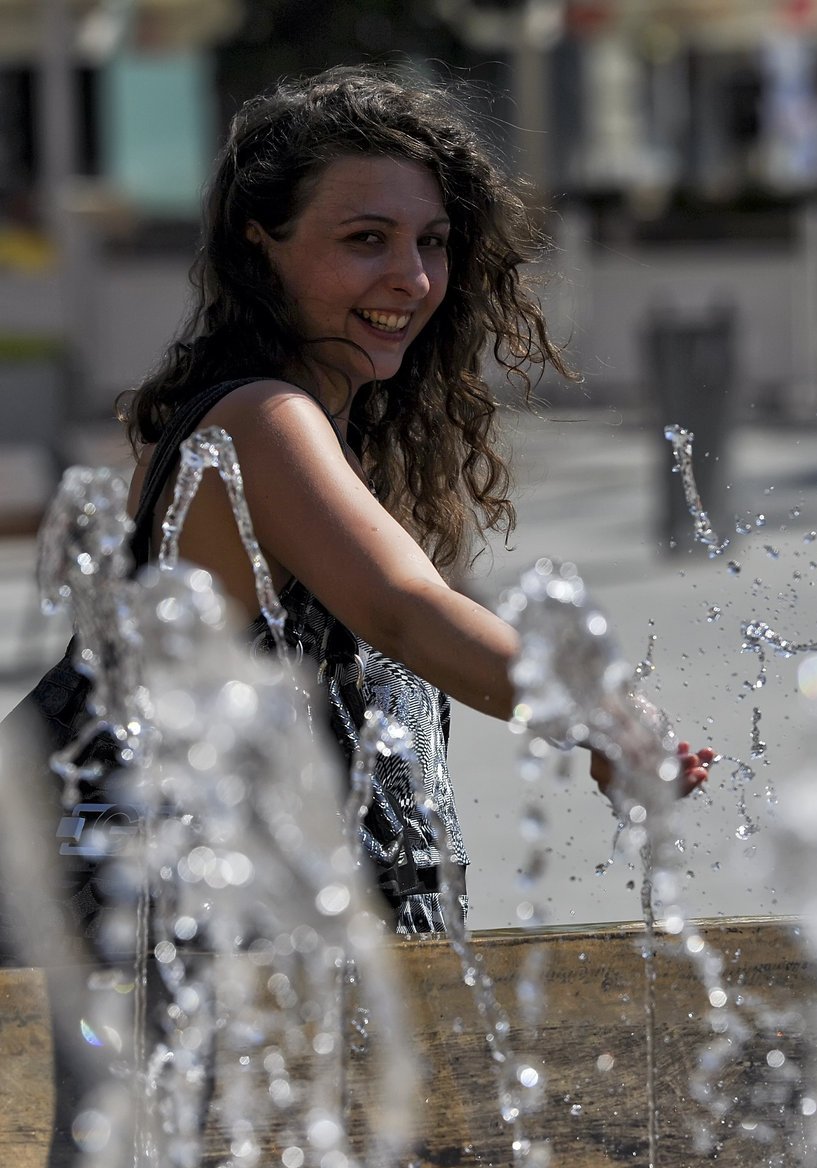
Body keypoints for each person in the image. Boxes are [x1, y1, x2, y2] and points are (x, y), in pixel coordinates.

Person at [122, 64, 712, 935]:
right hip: (215, 954)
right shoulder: (263, 422)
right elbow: (405, 611)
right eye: (366, 239)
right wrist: (611, 718)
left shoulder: (316, 425)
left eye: (430, 241)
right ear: (260, 245)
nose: (412, 277)